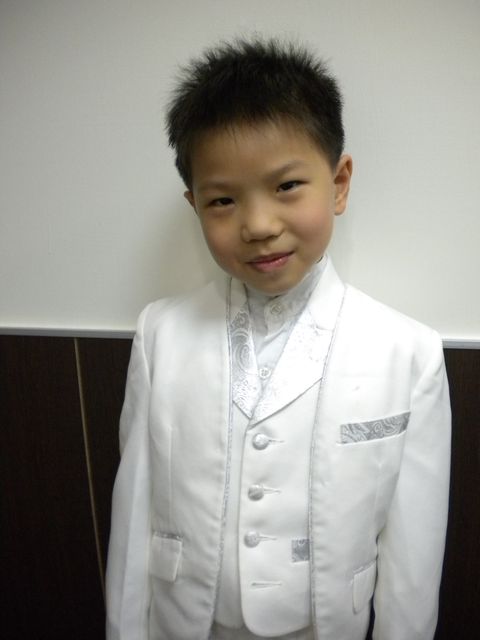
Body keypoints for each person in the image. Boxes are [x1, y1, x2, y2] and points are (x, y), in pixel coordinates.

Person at [105, 38, 451, 640]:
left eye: (287, 186)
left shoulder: (407, 353)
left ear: (339, 183)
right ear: (194, 205)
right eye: (222, 200)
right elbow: (133, 516)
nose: (259, 225)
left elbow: (413, 560)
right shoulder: (160, 334)